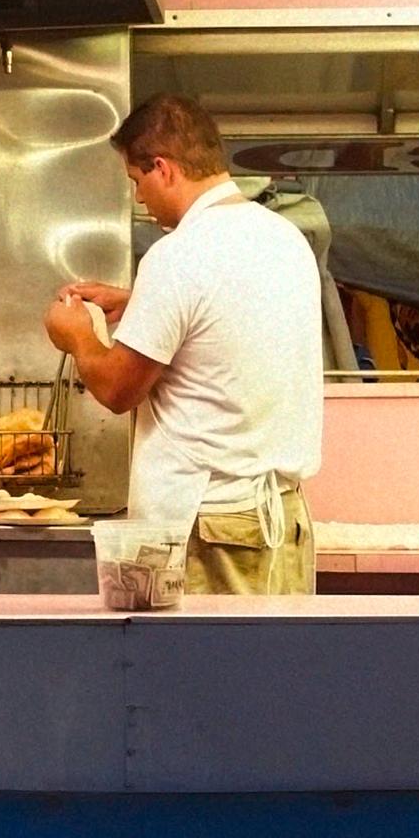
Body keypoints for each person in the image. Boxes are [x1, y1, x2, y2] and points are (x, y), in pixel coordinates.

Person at [42, 95, 326, 594]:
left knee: (199, 672)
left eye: (137, 182)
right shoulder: (284, 239)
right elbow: (228, 322)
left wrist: (79, 338)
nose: (140, 200)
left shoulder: (178, 256)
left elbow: (117, 389)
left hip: (212, 528)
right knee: (277, 669)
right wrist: (141, 303)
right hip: (281, 519)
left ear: (163, 168)